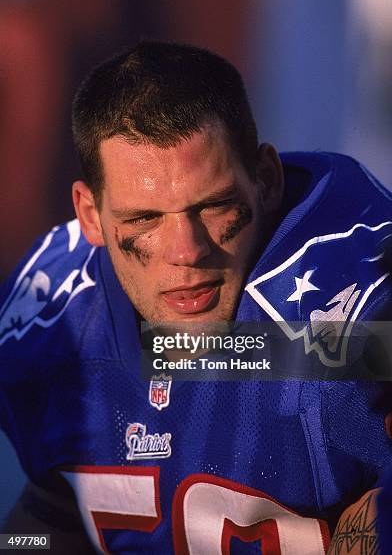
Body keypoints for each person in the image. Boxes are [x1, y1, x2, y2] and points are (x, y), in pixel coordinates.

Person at [0, 41, 391, 554]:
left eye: (214, 206)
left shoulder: (352, 322)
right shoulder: (51, 322)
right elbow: (55, 507)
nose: (187, 252)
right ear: (91, 216)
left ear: (266, 182)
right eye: (144, 219)